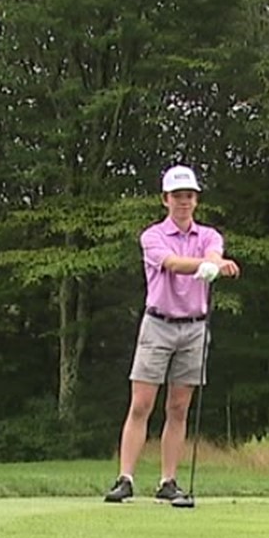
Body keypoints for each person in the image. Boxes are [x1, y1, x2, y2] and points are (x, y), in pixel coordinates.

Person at [104, 164, 239, 506]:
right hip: (158, 324)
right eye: (177, 196)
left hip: (194, 327)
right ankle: (125, 478)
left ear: (196, 200)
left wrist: (214, 262)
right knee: (142, 404)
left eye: (189, 196)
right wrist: (207, 267)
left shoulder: (209, 235)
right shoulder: (152, 236)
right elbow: (173, 264)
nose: (183, 202)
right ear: (165, 199)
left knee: (178, 408)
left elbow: (213, 253)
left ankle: (168, 481)